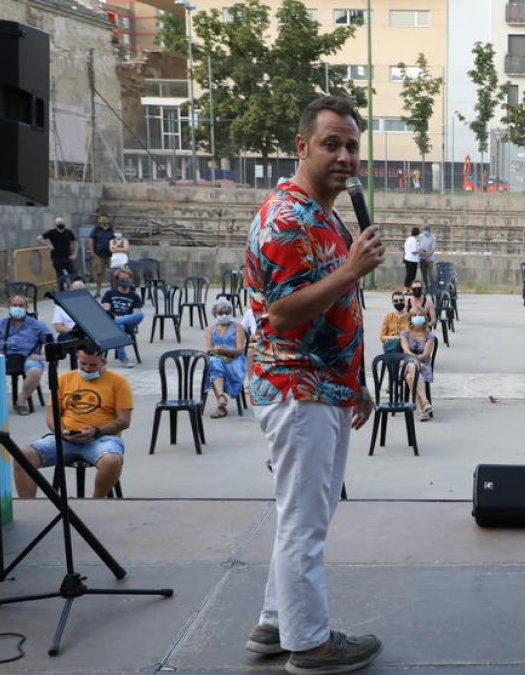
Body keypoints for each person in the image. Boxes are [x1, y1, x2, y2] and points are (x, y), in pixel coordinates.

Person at [242, 95, 384, 672]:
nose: (345, 156)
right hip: (297, 388)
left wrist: (357, 380)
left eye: (351, 145)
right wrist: (352, 269)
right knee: (305, 522)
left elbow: (339, 309)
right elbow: (282, 315)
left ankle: (276, 623)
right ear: (302, 147)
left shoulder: (324, 213)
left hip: (323, 385)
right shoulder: (288, 218)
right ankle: (311, 645)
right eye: (331, 143)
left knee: (304, 515)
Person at [11, 344, 132, 499]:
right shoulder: (64, 379)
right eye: (83, 364)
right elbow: (51, 415)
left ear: (103, 361)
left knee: (112, 461)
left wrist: (96, 431)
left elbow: (123, 421)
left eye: (93, 365)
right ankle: (28, 504)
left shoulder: (118, 382)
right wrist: (61, 432)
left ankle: (97, 501)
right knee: (23, 456)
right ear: (77, 359)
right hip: (65, 437)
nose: (87, 369)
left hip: (101, 438)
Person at [0, 296, 54, 415]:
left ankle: (21, 402)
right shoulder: (1, 324)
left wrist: (42, 356)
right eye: (14, 305)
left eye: (21, 306)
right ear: (8, 307)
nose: (17, 308)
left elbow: (51, 343)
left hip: (27, 357)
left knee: (35, 371)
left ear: (26, 308)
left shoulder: (37, 324)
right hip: (4, 357)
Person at [205, 298, 247, 419]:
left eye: (227, 313)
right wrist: (216, 350)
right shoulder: (209, 329)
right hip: (217, 359)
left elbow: (240, 350)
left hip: (235, 360)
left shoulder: (237, 327)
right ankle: (221, 399)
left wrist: (225, 350)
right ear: (215, 314)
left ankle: (221, 404)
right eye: (221, 313)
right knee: (214, 361)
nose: (224, 315)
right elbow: (208, 350)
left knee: (214, 365)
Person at [100, 268, 144, 368]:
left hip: (128, 321)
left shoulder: (134, 296)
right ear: (117, 281)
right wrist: (112, 316)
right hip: (115, 320)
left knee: (140, 315)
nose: (125, 281)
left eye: (127, 278)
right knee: (119, 326)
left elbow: (136, 312)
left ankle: (117, 321)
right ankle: (123, 359)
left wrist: (122, 318)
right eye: (122, 279)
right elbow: (106, 309)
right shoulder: (110, 293)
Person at [400, 306, 436, 421]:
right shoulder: (404, 334)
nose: (418, 318)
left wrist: (416, 361)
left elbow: (426, 354)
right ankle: (425, 401)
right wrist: (415, 361)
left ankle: (421, 410)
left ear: (425, 318)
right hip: (408, 363)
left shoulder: (429, 335)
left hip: (423, 365)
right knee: (412, 366)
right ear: (410, 319)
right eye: (415, 316)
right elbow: (406, 351)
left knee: (410, 376)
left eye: (420, 315)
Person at [38, 217, 78, 287]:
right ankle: (61, 291)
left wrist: (75, 253)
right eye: (59, 223)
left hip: (67, 257)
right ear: (56, 224)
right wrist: (49, 245)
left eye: (62, 222)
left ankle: (74, 288)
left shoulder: (68, 232)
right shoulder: (52, 232)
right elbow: (39, 238)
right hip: (56, 257)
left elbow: (75, 241)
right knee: (60, 275)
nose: (61, 224)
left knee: (73, 274)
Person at [88, 213, 116, 294]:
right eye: (101, 219)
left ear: (108, 219)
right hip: (99, 255)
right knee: (99, 273)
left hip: (111, 255)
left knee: (113, 273)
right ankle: (98, 290)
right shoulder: (96, 229)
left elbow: (117, 239)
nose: (103, 220)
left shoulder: (112, 229)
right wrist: (92, 252)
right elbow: (91, 241)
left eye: (105, 219)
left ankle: (113, 289)